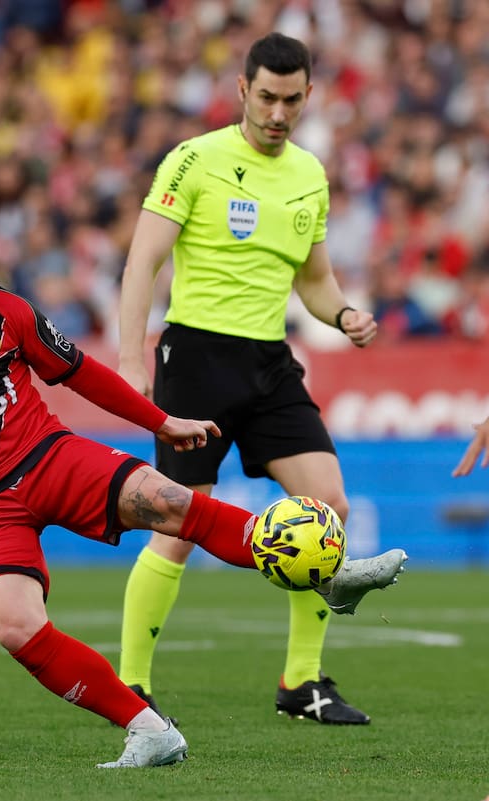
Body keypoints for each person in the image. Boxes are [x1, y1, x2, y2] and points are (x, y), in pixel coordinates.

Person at [0, 188, 405, 767]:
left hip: (50, 458)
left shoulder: (6, 311)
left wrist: (161, 420)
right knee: (16, 626)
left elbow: (81, 373)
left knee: (172, 501)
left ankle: (329, 574)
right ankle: (149, 730)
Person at [115, 32, 407, 727]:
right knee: (178, 523)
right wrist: (130, 360)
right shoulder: (194, 159)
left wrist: (344, 313)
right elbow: (143, 260)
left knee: (328, 507)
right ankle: (130, 686)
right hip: (196, 357)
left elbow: (314, 279)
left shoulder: (309, 174)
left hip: (269, 362)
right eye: (267, 97)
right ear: (243, 89)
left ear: (309, 97)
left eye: (292, 100)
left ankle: (301, 683)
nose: (278, 113)